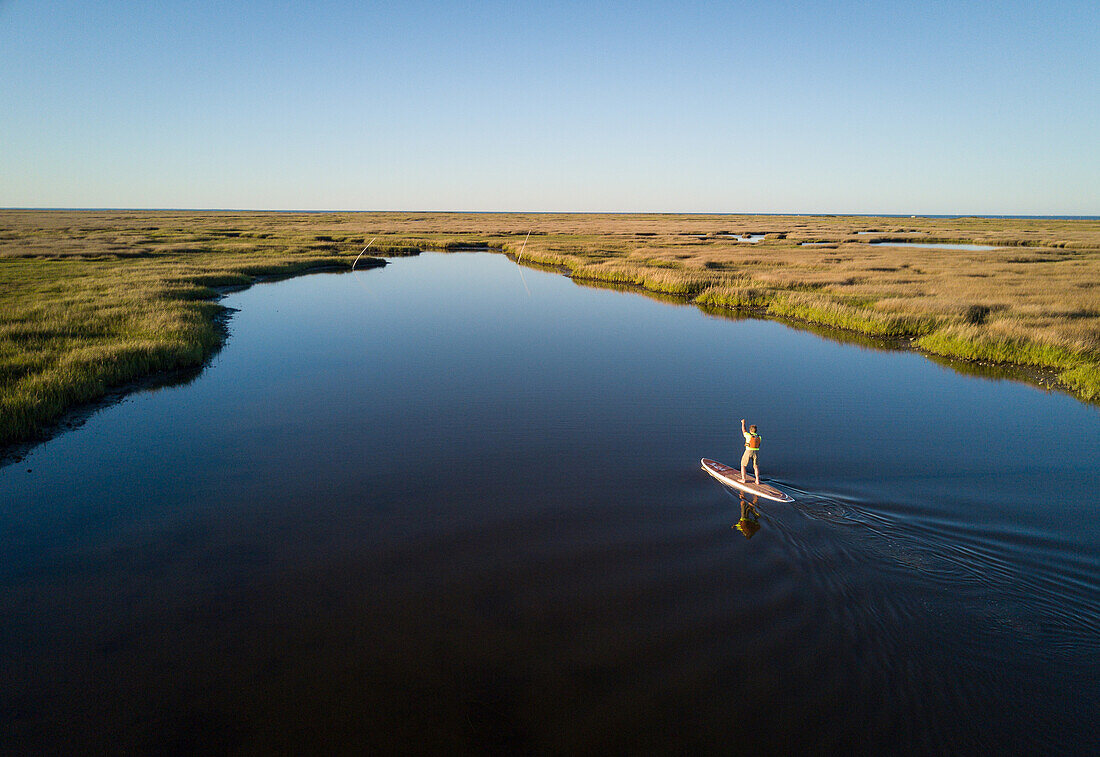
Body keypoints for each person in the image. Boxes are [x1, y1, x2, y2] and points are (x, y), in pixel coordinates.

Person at [740, 418, 761, 484]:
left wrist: (743, 423)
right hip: (756, 452)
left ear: (750, 430)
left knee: (743, 465)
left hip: (748, 451)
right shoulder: (759, 437)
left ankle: (743, 479)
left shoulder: (748, 435)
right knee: (756, 466)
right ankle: (757, 480)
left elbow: (743, 430)